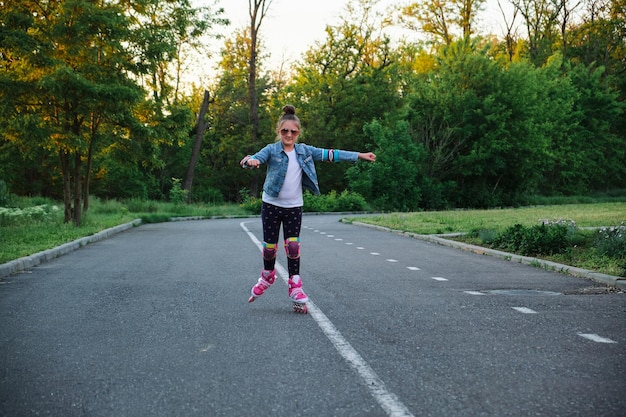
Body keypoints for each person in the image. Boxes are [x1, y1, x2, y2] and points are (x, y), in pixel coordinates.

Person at [240, 105, 376, 311]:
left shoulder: (305, 151)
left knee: (293, 246)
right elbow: (253, 158)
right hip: (271, 204)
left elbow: (331, 154)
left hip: (294, 206)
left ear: (298, 133)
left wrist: (359, 155)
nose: (289, 134)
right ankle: (268, 275)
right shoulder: (271, 149)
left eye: (293, 131)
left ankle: (295, 285)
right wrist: (250, 161)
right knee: (270, 248)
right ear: (279, 131)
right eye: (285, 131)